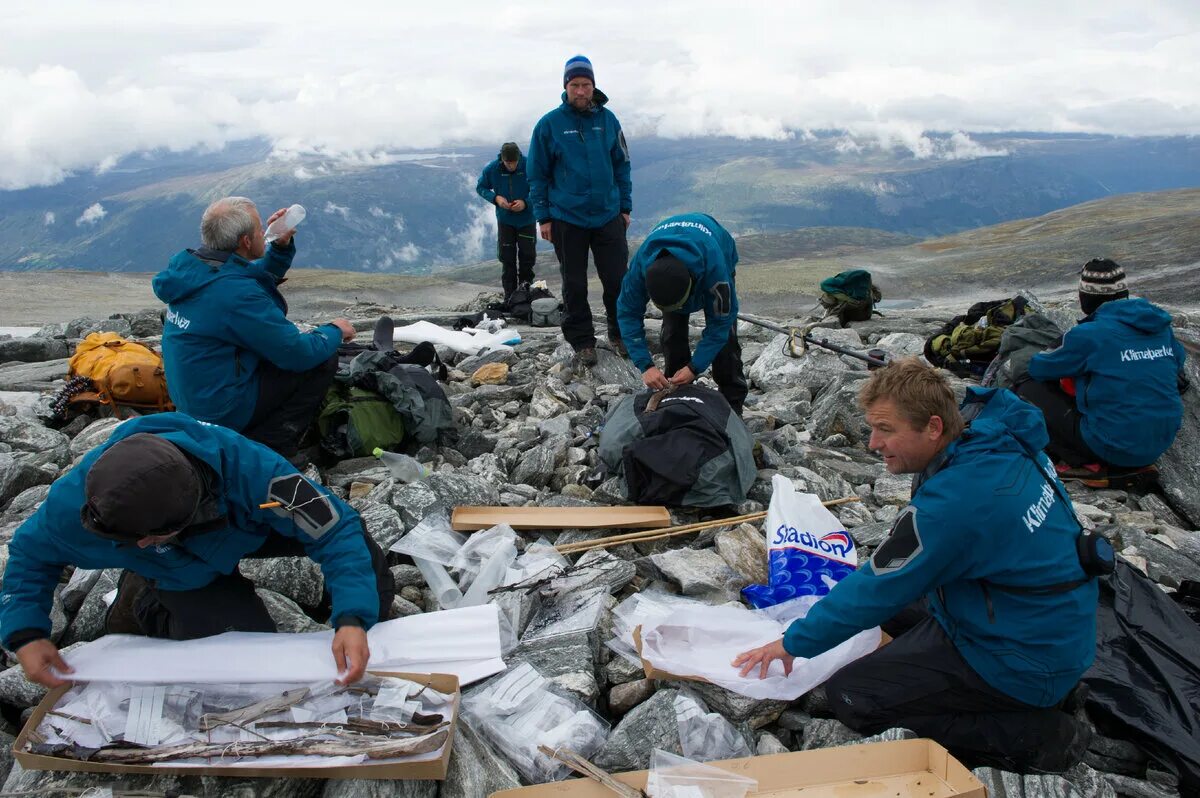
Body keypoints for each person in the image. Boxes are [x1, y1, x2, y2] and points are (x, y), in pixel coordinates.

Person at [733, 359, 1098, 773]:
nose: (872, 443)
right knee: (889, 606)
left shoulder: (956, 503)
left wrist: (791, 643)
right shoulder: (992, 441)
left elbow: (878, 586)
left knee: (852, 696)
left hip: (1021, 659)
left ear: (934, 427)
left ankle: (1042, 736)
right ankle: (1046, 692)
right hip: (1046, 624)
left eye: (886, 430)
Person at [0, 413, 395, 688]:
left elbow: (333, 528)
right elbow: (29, 556)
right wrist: (26, 634)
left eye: (149, 536)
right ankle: (143, 594)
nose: (139, 541)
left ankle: (371, 641)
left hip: (248, 528)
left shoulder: (254, 471)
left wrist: (352, 619)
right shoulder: (73, 509)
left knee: (363, 560)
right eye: (130, 539)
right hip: (177, 569)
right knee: (245, 663)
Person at [153, 196, 356, 458]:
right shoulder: (235, 294)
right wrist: (335, 330)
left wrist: (280, 247)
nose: (265, 231)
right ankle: (270, 448)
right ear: (246, 242)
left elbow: (245, 277)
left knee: (280, 349)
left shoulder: (193, 269)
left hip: (194, 399)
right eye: (261, 229)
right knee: (322, 358)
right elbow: (297, 353)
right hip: (222, 410)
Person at [1016, 258, 1187, 472]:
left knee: (1027, 387)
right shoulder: (1161, 328)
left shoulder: (1089, 334)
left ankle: (1078, 460)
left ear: (1087, 297)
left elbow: (1038, 368)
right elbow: (1178, 363)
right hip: (1160, 443)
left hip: (1111, 448)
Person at [528, 54, 632, 366]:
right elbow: (537, 174)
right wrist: (543, 216)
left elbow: (622, 165)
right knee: (574, 283)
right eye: (575, 85)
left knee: (617, 279)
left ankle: (621, 333)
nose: (581, 91)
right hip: (566, 217)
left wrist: (624, 207)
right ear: (566, 87)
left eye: (586, 85)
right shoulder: (549, 125)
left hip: (607, 214)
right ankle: (582, 340)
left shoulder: (608, 120)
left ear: (593, 86)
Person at [616, 213, 747, 414]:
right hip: (670, 266)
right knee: (672, 331)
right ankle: (676, 391)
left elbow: (720, 322)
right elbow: (627, 313)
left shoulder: (716, 272)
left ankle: (733, 403)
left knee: (726, 341)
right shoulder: (640, 268)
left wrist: (695, 367)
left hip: (717, 245)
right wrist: (646, 366)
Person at [476, 142, 537, 299]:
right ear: (502, 159)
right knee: (507, 259)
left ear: (518, 158)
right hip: (505, 221)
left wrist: (525, 203)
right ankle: (510, 297)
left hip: (527, 220)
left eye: (514, 162)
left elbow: (541, 187)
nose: (511, 166)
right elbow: (481, 187)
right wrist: (496, 198)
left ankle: (525, 295)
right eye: (508, 162)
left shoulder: (530, 165)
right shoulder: (493, 169)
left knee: (527, 259)